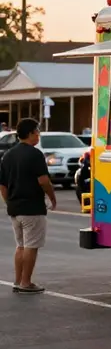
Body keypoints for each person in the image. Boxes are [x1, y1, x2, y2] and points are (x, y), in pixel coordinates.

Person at [0, 118, 57, 293]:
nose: (38, 135)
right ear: (31, 133)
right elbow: (44, 181)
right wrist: (52, 198)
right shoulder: (35, 154)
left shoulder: (8, 155)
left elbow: (3, 185)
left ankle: (18, 281)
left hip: (15, 208)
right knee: (31, 246)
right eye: (37, 132)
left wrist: (9, 202)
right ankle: (26, 282)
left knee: (21, 246)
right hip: (32, 208)